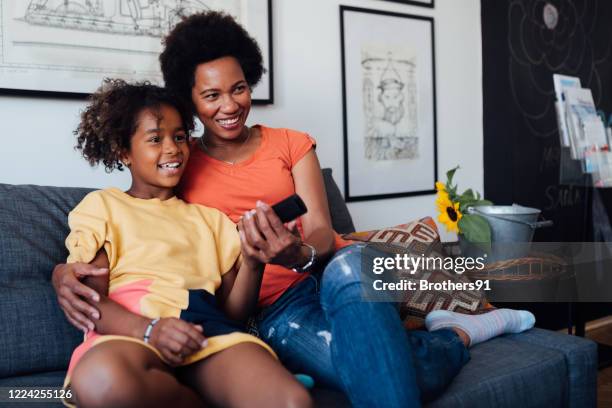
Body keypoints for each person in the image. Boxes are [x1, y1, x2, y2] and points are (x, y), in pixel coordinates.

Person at [53, 12, 535, 408]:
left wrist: (297, 252)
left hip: (329, 280)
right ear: (191, 102)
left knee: (350, 263)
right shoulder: (179, 164)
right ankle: (456, 336)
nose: (229, 105)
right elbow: (138, 239)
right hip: (271, 313)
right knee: (382, 369)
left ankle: (439, 330)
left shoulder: (291, 144)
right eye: (211, 95)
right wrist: (64, 271)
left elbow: (324, 232)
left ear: (251, 82)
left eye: (238, 88)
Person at [60, 79, 312, 408]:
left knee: (292, 401)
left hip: (207, 331)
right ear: (124, 152)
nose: (172, 148)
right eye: (155, 139)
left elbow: (233, 312)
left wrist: (253, 261)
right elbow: (90, 301)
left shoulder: (212, 221)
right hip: (128, 333)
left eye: (180, 137)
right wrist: (151, 330)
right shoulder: (102, 207)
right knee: (102, 382)